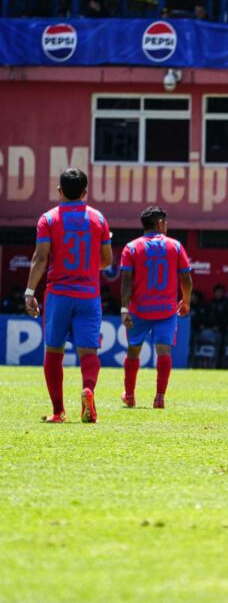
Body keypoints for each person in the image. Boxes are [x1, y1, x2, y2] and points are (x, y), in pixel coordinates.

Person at [24, 168, 113, 423]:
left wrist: (30, 292)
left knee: (53, 352)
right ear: (85, 192)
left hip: (59, 296)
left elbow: (40, 258)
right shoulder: (98, 219)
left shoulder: (48, 219)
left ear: (59, 190)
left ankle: (58, 412)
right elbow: (106, 261)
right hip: (88, 296)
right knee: (89, 353)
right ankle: (88, 389)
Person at [119, 206, 192, 410]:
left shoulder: (131, 248)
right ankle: (159, 397)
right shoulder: (175, 246)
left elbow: (126, 281)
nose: (167, 226)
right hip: (166, 311)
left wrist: (124, 309)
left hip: (139, 310)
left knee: (133, 351)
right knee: (163, 351)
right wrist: (186, 300)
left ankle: (130, 396)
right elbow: (186, 278)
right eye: (165, 223)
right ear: (160, 224)